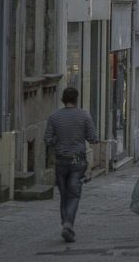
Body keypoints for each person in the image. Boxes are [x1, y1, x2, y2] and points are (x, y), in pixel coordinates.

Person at [43, 87, 99, 243]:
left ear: (63, 99)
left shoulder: (54, 117)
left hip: (61, 160)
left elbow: (47, 139)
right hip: (77, 161)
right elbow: (93, 138)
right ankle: (68, 224)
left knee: (64, 195)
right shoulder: (84, 115)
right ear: (76, 99)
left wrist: (58, 141)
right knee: (74, 194)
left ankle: (65, 224)